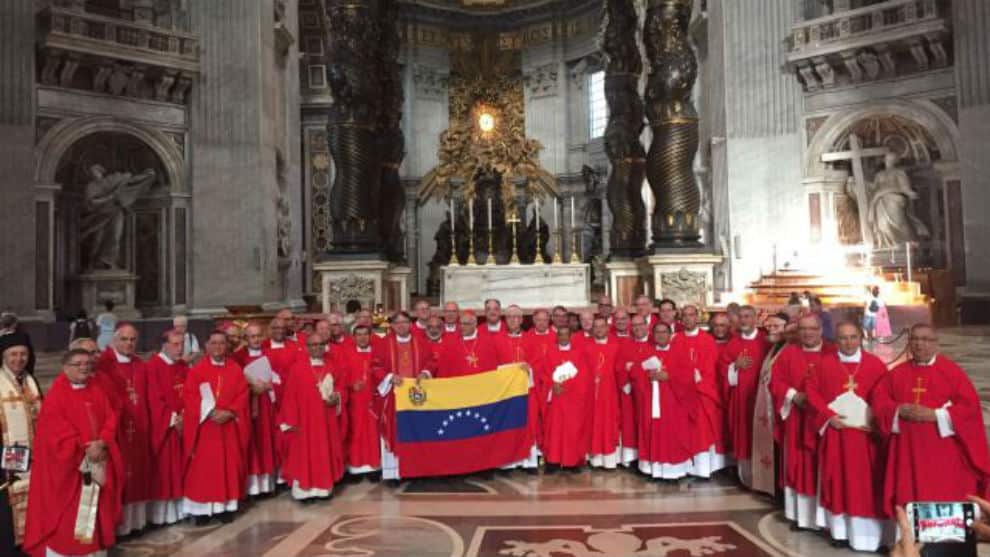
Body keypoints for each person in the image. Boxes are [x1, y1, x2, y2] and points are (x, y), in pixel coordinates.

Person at [873, 324, 990, 516]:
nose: (919, 344)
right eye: (915, 339)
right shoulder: (896, 374)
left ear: (936, 343)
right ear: (909, 342)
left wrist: (935, 415)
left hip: (942, 453)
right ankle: (908, 539)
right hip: (907, 451)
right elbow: (879, 402)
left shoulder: (952, 373)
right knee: (908, 493)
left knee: (941, 492)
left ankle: (945, 538)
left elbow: (969, 410)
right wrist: (898, 410)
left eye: (926, 339)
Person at [23, 349, 123, 557]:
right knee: (72, 516)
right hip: (70, 468)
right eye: (78, 364)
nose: (84, 367)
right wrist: (85, 448)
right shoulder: (57, 394)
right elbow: (55, 431)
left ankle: (93, 550)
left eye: (88, 363)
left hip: (97, 460)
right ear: (65, 367)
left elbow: (111, 417)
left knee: (95, 511)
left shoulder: (96, 388)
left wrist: (102, 441)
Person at [810, 322, 889, 552]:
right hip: (838, 435)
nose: (848, 342)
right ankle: (840, 532)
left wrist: (877, 420)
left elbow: (886, 396)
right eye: (843, 338)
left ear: (861, 337)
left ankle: (872, 536)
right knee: (837, 481)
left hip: (866, 438)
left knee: (866, 486)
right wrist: (827, 416)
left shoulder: (875, 364)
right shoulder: (824, 364)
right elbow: (812, 392)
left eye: (853, 337)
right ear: (836, 340)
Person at [770, 314, 835, 529]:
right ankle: (801, 517)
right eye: (804, 329)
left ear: (821, 330)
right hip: (798, 421)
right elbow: (775, 381)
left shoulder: (833, 352)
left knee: (825, 467)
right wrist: (793, 395)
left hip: (825, 422)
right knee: (799, 466)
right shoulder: (789, 353)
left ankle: (826, 520)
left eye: (813, 328)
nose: (808, 333)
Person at [182, 331, 250, 524]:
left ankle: (224, 508)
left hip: (228, 427)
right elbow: (190, 396)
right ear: (207, 346)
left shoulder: (235, 369)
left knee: (228, 466)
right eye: (214, 343)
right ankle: (202, 510)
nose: (218, 347)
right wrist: (211, 413)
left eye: (222, 343)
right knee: (204, 469)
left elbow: (242, 394)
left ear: (227, 346)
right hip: (206, 427)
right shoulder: (197, 370)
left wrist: (230, 412)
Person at [94, 322, 150, 536]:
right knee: (120, 476)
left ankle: (135, 523)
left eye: (133, 339)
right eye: (124, 339)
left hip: (139, 426)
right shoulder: (104, 365)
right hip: (117, 430)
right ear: (114, 340)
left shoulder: (139, 364)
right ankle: (118, 526)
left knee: (137, 475)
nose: (129, 343)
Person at [279, 332, 347, 501]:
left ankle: (323, 490)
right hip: (304, 422)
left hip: (326, 420)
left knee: (324, 451)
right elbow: (289, 397)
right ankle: (303, 492)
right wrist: (291, 421)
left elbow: (341, 387)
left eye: (320, 344)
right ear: (307, 348)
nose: (316, 348)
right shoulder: (297, 368)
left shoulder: (332, 366)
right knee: (304, 454)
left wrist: (336, 397)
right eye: (313, 345)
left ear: (325, 346)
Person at [371, 312, 435, 481]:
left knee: (417, 432)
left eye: (405, 322)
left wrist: (425, 372)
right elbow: (375, 367)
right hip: (393, 398)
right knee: (394, 431)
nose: (401, 325)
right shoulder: (383, 344)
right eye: (397, 323)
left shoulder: (422, 343)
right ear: (392, 325)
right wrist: (390, 377)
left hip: (417, 398)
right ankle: (393, 473)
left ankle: (417, 470)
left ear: (410, 324)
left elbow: (432, 362)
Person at [632, 322, 696, 480]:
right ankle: (653, 469)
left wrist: (669, 377)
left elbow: (688, 377)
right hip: (651, 403)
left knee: (673, 434)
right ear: (653, 335)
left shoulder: (679, 352)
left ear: (670, 334)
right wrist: (646, 376)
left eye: (664, 332)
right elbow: (634, 372)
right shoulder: (647, 352)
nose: (661, 335)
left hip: (673, 404)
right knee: (652, 432)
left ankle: (674, 470)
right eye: (657, 332)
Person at [718, 305, 771, 487]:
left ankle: (764, 478)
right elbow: (723, 370)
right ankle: (746, 478)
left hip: (761, 399)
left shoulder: (766, 341)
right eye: (741, 317)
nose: (744, 320)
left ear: (755, 318)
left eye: (748, 316)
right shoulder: (733, 343)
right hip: (741, 400)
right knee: (743, 435)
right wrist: (734, 365)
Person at [0, 335, 42, 555]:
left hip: (33, 456)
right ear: (3, 356)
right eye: (13, 354)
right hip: (5, 458)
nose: (19, 359)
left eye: (23, 354)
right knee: (7, 513)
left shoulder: (30, 380)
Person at [673, 305, 727, 479]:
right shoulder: (676, 339)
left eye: (691, 315)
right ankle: (685, 466)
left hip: (702, 394)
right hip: (682, 394)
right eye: (685, 315)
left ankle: (703, 469)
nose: (688, 319)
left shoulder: (707, 340)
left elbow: (712, 368)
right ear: (681, 319)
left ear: (697, 318)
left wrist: (698, 380)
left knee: (702, 432)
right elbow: (672, 366)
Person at [144, 329, 188, 526]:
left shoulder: (183, 366)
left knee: (180, 468)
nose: (180, 349)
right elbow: (153, 399)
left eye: (182, 344)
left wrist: (186, 415)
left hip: (182, 424)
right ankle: (162, 515)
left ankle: (180, 510)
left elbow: (191, 392)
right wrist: (173, 418)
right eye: (175, 344)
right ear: (164, 345)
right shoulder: (152, 366)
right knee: (164, 470)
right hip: (166, 427)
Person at [232, 323, 279, 497]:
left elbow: (280, 380)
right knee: (253, 444)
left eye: (259, 335)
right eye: (252, 336)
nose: (256, 339)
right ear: (246, 339)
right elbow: (234, 384)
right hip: (248, 407)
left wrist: (270, 385)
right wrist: (250, 388)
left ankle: (267, 485)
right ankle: (252, 487)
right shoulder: (238, 358)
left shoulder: (270, 355)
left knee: (266, 442)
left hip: (267, 406)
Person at [495, 305, 540, 471]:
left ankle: (529, 462)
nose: (513, 320)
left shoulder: (530, 339)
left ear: (522, 320)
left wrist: (530, 369)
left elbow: (538, 363)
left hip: (527, 391)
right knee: (509, 425)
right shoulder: (498, 340)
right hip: (507, 393)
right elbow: (494, 365)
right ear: (505, 320)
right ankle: (509, 463)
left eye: (516, 317)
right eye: (510, 317)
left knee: (528, 423)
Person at [749, 312, 790, 496]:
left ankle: (779, 489)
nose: (771, 330)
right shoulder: (775, 348)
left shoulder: (787, 349)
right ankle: (773, 487)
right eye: (769, 327)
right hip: (769, 407)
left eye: (776, 326)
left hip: (780, 409)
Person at [540, 327, 591, 471]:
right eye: (560, 335)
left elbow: (583, 376)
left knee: (572, 431)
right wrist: (552, 385)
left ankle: (571, 462)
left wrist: (568, 388)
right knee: (554, 430)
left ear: (570, 336)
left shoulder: (578, 354)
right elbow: (544, 374)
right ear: (557, 337)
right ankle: (553, 462)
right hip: (555, 399)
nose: (563, 337)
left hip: (572, 399)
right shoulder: (550, 353)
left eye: (565, 335)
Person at [343, 325, 380, 478]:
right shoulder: (347, 355)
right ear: (353, 337)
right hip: (355, 402)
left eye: (365, 334)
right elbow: (340, 375)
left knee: (374, 433)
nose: (362, 338)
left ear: (370, 336)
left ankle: (375, 467)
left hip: (374, 400)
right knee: (356, 433)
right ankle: (356, 468)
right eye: (359, 335)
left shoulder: (377, 353)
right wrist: (351, 385)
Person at [584, 317, 622, 469]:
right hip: (591, 394)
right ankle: (594, 459)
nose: (599, 330)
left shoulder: (616, 346)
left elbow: (619, 370)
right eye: (596, 327)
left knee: (608, 423)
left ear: (607, 328)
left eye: (602, 327)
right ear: (592, 329)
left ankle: (610, 460)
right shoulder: (585, 347)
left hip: (610, 394)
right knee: (592, 423)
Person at [436, 311, 498, 377]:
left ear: (474, 324)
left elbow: (491, 368)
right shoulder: (452, 343)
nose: (462, 327)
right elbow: (444, 369)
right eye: (460, 324)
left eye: (466, 324)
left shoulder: (486, 342)